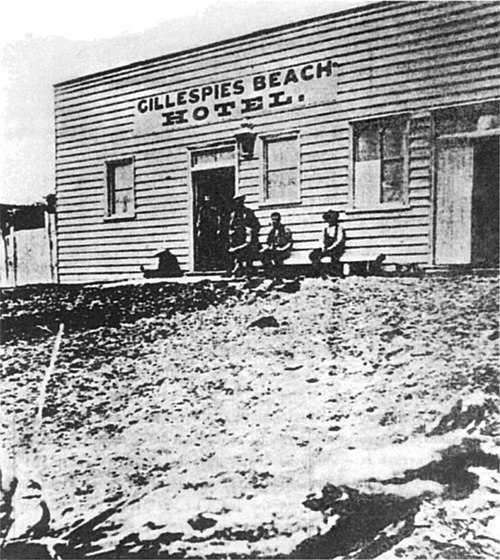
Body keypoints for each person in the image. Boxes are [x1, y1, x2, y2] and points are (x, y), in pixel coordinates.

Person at [227, 195, 260, 277]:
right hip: (237, 239)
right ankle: (234, 271)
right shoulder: (233, 214)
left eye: (240, 201)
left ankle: (249, 272)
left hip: (248, 239)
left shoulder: (248, 212)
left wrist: (250, 231)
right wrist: (233, 232)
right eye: (236, 201)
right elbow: (230, 226)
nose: (238, 203)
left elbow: (256, 226)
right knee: (232, 251)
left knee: (247, 252)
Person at [309, 209, 345, 276]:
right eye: (329, 219)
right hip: (327, 248)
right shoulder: (325, 229)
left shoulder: (339, 228)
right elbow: (322, 239)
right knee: (314, 255)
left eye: (332, 219)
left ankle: (334, 273)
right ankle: (320, 272)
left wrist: (330, 248)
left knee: (334, 258)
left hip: (336, 248)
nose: (330, 221)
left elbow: (339, 240)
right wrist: (323, 247)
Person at [260, 212, 293, 282]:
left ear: (279, 220)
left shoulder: (285, 229)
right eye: (273, 220)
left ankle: (279, 277)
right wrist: (268, 247)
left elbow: (289, 243)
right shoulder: (272, 231)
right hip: (275, 250)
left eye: (276, 220)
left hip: (284, 250)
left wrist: (282, 249)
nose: (274, 222)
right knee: (264, 255)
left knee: (277, 257)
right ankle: (271, 274)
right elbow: (269, 242)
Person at [196, 192, 221, 270]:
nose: (208, 201)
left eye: (209, 199)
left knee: (213, 248)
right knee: (204, 248)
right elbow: (199, 221)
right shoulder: (202, 210)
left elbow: (218, 220)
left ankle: (213, 265)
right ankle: (204, 265)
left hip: (212, 231)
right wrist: (199, 230)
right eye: (206, 200)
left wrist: (218, 229)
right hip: (204, 231)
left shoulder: (214, 210)